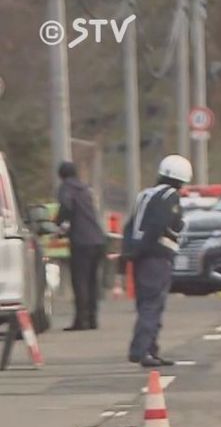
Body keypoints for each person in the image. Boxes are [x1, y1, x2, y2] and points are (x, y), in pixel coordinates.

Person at [122, 155, 191, 367]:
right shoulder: (169, 197)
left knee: (145, 304)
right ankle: (142, 350)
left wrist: (130, 252)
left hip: (139, 256)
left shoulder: (145, 194)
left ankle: (150, 349)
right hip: (156, 257)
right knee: (153, 305)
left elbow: (130, 225)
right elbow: (161, 225)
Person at [55, 162, 107, 331]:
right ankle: (92, 319)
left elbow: (67, 208)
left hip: (82, 241)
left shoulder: (66, 188)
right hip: (98, 239)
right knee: (93, 282)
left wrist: (58, 224)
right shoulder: (86, 189)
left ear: (61, 175)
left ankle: (81, 321)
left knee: (80, 282)